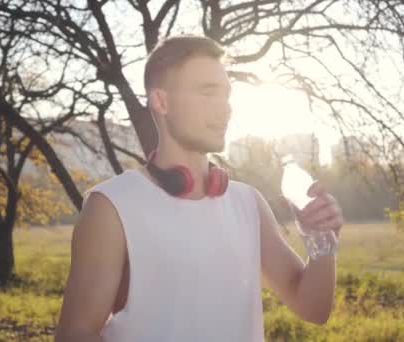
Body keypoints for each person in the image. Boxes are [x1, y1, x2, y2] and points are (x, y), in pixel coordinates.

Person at [54, 35, 344, 342]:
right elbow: (76, 333)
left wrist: (321, 242)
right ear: (161, 101)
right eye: (208, 93)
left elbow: (313, 309)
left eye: (226, 95)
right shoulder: (111, 205)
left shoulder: (248, 202)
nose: (225, 109)